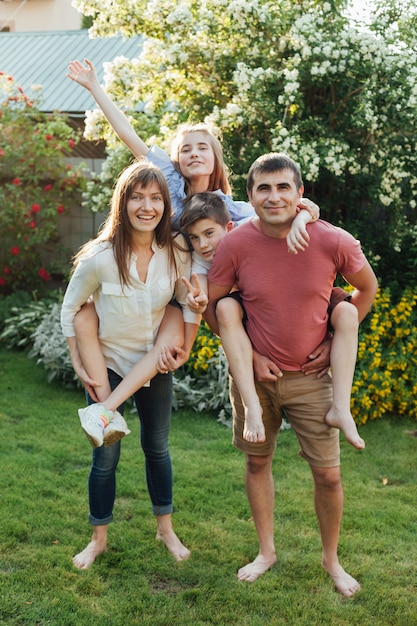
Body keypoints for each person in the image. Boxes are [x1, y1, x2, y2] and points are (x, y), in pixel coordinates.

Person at [205, 152, 378, 596]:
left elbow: (367, 289)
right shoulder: (235, 244)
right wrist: (249, 353)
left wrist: (332, 342)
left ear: (300, 194)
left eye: (283, 187)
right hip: (257, 377)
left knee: (330, 475)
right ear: (250, 196)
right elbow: (216, 308)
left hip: (313, 379)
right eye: (263, 188)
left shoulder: (331, 239)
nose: (274, 196)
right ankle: (266, 552)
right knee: (257, 460)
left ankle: (331, 560)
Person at [60, 160, 201, 569]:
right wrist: (77, 360)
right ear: (123, 203)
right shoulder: (100, 258)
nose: (147, 206)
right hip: (110, 365)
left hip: (153, 365)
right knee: (105, 457)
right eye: (137, 197)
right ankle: (98, 540)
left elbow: (182, 294)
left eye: (155, 198)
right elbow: (71, 308)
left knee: (157, 448)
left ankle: (166, 531)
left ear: (164, 205)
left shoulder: (175, 249)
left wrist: (189, 315)